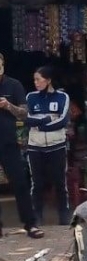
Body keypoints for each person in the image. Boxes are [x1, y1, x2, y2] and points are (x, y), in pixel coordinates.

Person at [0, 52, 43, 238]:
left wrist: (8, 105)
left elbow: (25, 114)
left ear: (3, 64)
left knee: (20, 183)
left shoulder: (13, 85)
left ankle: (30, 224)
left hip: (8, 142)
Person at [25, 66, 71, 226]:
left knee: (60, 182)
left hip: (57, 146)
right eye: (34, 80)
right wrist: (47, 120)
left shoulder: (62, 97)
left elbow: (63, 120)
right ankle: (36, 216)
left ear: (48, 80)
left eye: (38, 79)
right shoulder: (30, 97)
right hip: (35, 147)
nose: (35, 83)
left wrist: (42, 124)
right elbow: (27, 119)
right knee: (37, 183)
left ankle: (64, 216)